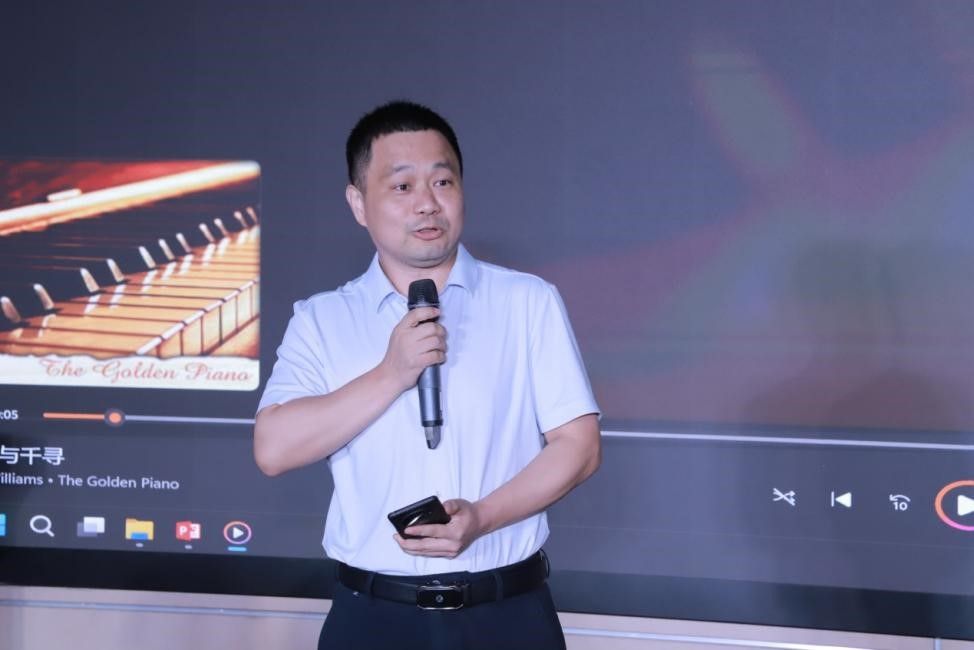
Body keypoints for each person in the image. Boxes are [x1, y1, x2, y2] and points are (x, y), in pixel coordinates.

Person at [254, 100, 601, 650]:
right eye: (402, 186)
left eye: (443, 181)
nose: (427, 203)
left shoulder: (526, 301)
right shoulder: (321, 318)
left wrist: (482, 517)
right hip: (373, 619)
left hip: (507, 614)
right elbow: (273, 449)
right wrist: (392, 373)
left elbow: (578, 447)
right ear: (358, 203)